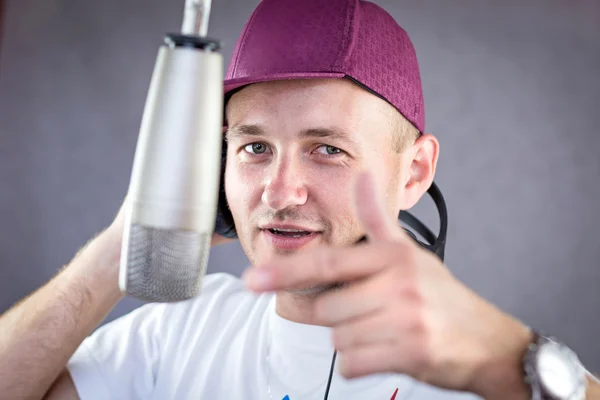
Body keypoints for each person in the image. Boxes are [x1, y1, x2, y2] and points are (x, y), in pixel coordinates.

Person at [0, 0, 598, 399]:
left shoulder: (478, 365)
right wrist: (122, 248)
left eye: (327, 150)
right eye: (255, 148)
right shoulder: (178, 329)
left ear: (413, 173)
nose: (281, 192)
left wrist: (509, 360)